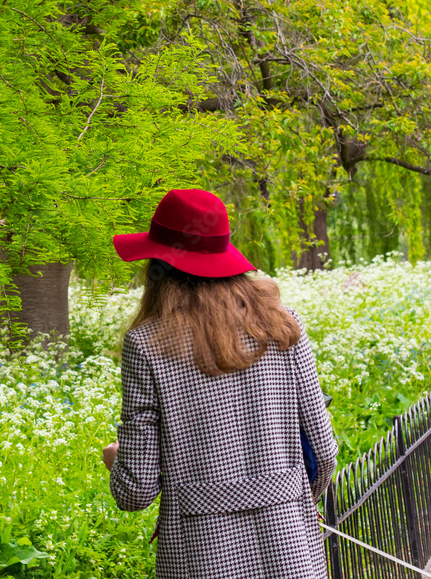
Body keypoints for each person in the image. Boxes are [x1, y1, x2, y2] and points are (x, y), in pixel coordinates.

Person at [102, 188, 338, 579]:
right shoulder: (284, 326)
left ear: (160, 266)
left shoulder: (146, 345)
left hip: (201, 557)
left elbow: (136, 491)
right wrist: (288, 501)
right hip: (292, 553)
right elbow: (324, 452)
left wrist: (115, 460)